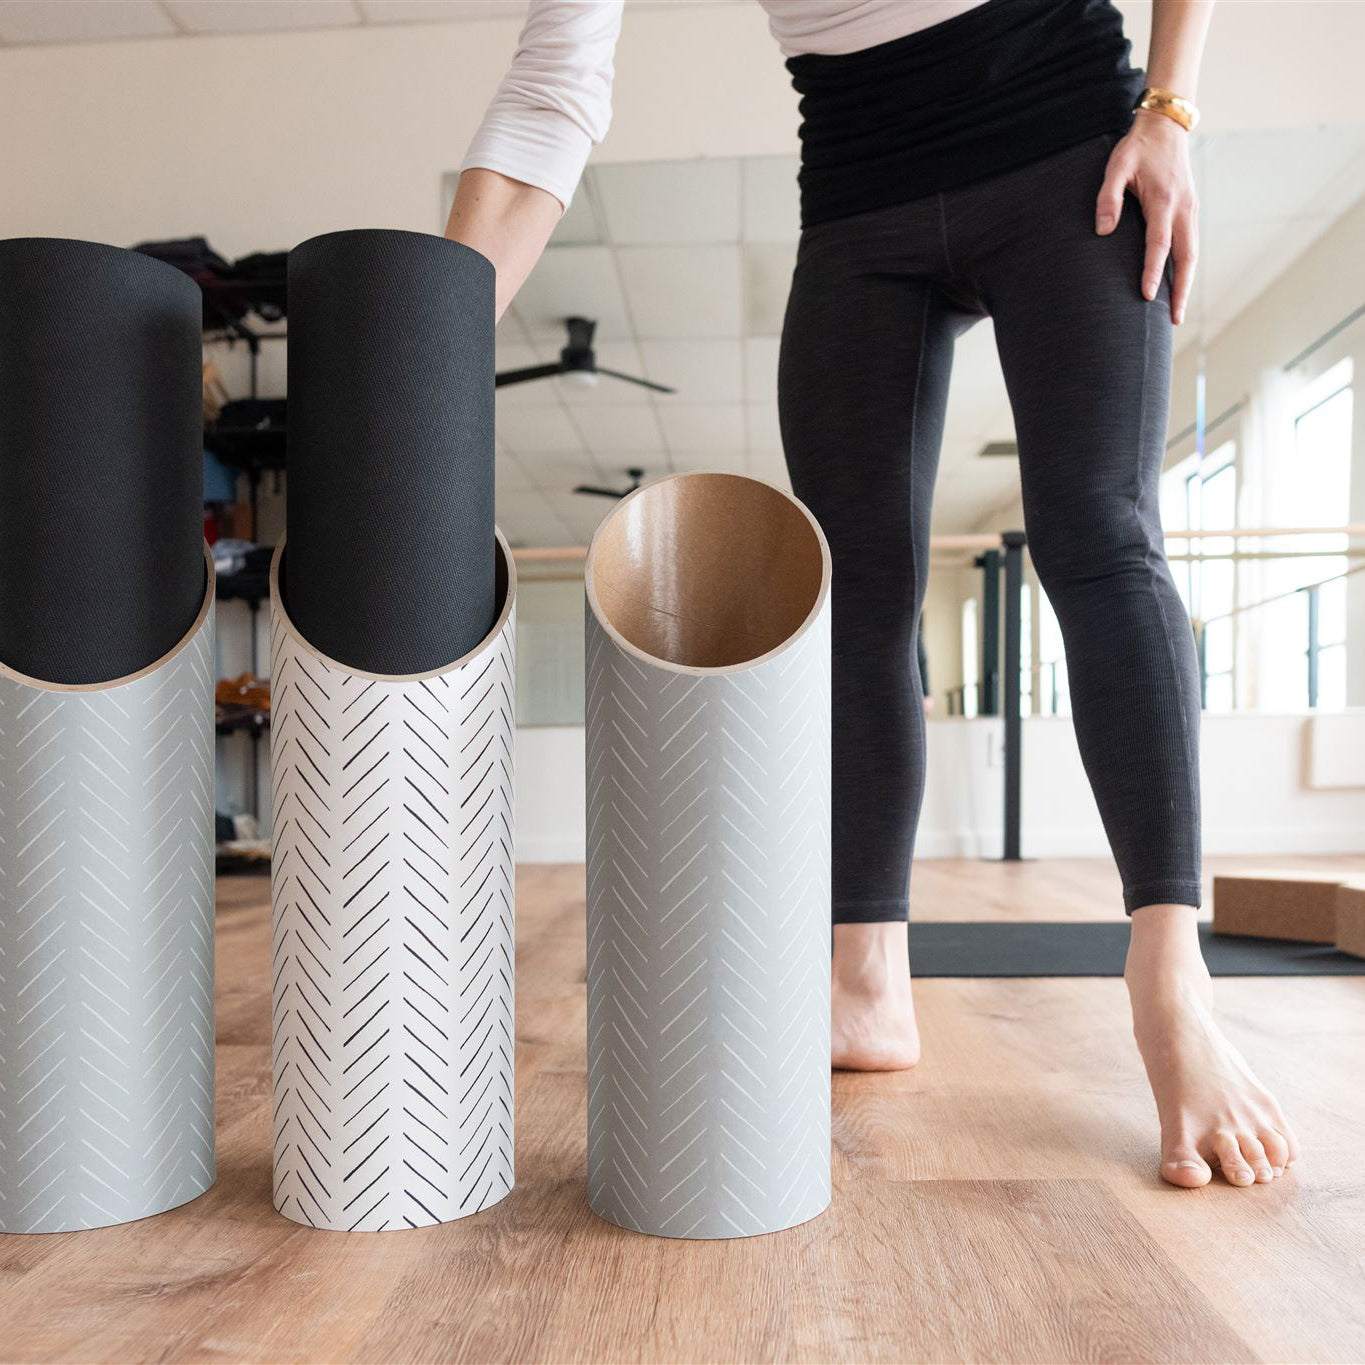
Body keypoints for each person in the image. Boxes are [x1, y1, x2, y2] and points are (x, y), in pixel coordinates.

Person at [446, 0, 1299, 1191]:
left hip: (1065, 139)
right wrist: (429, 342)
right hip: (858, 187)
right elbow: (552, 90)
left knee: (1096, 532)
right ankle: (863, 984)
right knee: (850, 599)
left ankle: (1172, 981)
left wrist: (1169, 108)